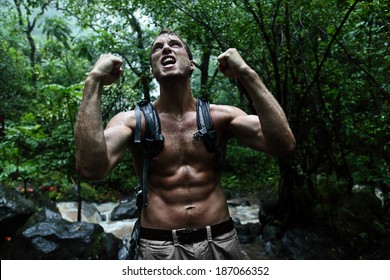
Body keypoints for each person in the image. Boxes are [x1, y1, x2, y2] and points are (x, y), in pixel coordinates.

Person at [74, 30, 296, 260]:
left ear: (191, 65)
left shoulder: (220, 117)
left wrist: (247, 74)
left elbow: (283, 144)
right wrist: (93, 81)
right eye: (157, 48)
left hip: (220, 242)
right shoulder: (132, 122)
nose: (166, 49)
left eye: (174, 44)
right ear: (152, 71)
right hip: (159, 249)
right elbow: (91, 168)